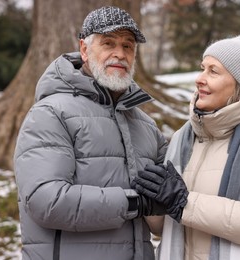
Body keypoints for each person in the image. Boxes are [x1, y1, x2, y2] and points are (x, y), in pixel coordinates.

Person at [13, 6, 168, 260]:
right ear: (84, 50)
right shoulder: (51, 114)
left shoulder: (146, 126)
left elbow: (165, 202)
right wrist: (135, 203)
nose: (120, 54)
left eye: (128, 46)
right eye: (108, 43)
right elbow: (46, 201)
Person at [133, 32, 240, 260]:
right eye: (202, 68)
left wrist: (184, 202)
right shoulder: (183, 138)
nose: (200, 78)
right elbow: (164, 227)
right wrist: (153, 199)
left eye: (213, 71)